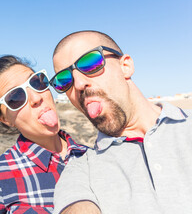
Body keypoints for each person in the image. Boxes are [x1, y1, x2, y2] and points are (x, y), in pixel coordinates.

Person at [49, 30, 192, 214]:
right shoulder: (81, 171)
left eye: (90, 63)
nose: (78, 85)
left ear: (126, 66)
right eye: (64, 80)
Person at [0, 55, 87, 213]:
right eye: (15, 97)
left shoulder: (92, 158)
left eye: (37, 82)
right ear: (5, 119)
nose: (36, 97)